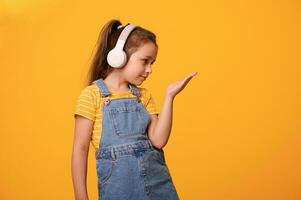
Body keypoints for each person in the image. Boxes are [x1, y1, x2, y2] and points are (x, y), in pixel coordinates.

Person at [71, 19, 197, 200]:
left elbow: (158, 141)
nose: (150, 69)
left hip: (158, 186)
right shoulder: (92, 96)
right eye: (145, 61)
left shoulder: (143, 96)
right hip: (120, 191)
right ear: (118, 56)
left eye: (152, 63)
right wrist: (80, 197)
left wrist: (169, 97)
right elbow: (80, 149)